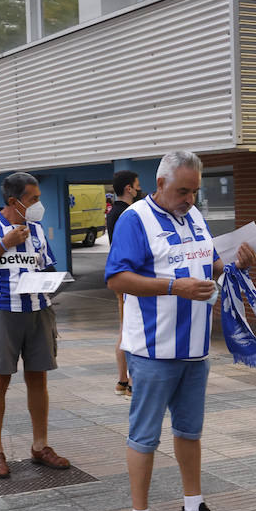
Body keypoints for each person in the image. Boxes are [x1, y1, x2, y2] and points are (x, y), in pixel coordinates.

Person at [105, 151, 256, 511]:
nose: (189, 199)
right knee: (145, 436)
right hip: (153, 349)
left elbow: (208, 268)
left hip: (195, 348)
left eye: (195, 191)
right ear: (159, 184)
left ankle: (192, 510)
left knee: (190, 433)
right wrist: (175, 288)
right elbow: (117, 277)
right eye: (182, 191)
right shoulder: (134, 218)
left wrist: (234, 264)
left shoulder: (194, 218)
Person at [0, 172, 71, 479]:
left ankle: (40, 446)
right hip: (1, 314)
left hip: (38, 311)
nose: (39, 205)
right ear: (14, 201)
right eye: (33, 199)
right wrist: (3, 244)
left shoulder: (36, 229)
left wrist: (55, 282)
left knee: (39, 380)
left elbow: (47, 266)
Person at [107, 169, 141, 395]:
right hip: (129, 279)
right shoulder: (128, 214)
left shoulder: (114, 212)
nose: (139, 189)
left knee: (125, 329)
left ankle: (123, 380)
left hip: (122, 276)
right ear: (128, 188)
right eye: (137, 185)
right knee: (129, 330)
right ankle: (127, 381)